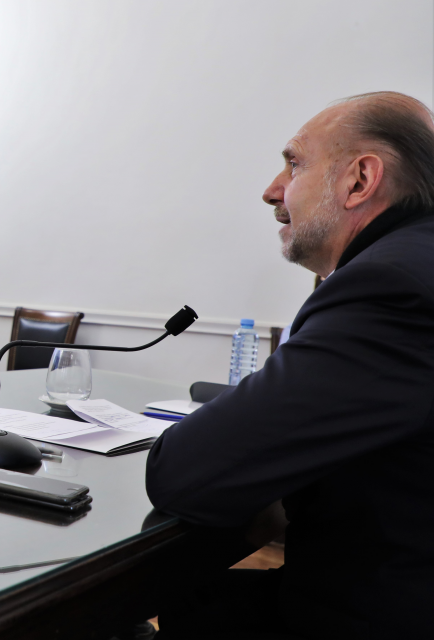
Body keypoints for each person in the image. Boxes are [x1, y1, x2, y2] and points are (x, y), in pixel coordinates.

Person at [147, 92, 434, 639]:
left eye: (295, 163)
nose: (272, 190)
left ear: (360, 180)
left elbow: (184, 474)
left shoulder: (389, 286)